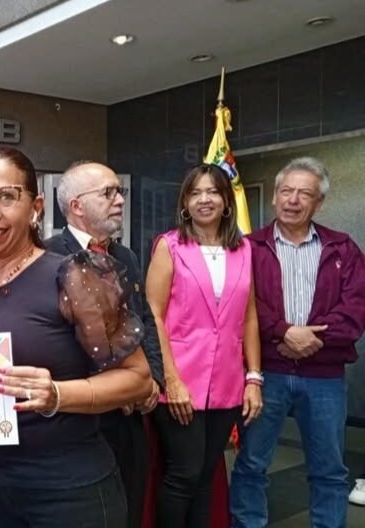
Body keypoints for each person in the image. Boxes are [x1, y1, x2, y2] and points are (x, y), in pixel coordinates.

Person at [0, 145, 153, 528]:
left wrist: (57, 394)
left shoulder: (76, 275)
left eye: (6, 196)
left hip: (70, 492)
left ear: (36, 207)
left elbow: (138, 378)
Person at [230, 157, 365, 528]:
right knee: (252, 464)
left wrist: (311, 339)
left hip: (325, 378)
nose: (293, 200)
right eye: (286, 191)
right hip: (265, 374)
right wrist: (283, 331)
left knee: (329, 470)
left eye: (304, 194)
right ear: (275, 196)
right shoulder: (248, 247)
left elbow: (355, 308)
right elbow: (241, 303)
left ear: (318, 203)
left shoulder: (343, 249)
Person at [45, 161, 164, 528]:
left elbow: (145, 322)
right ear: (76, 205)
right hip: (80, 415)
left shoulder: (126, 256)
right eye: (108, 193)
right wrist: (113, 385)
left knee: (130, 503)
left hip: (130, 416)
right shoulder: (47, 257)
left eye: (120, 191)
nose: (120, 200)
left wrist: (152, 379)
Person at [145, 163, 262, 528]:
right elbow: (153, 315)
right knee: (184, 474)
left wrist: (254, 378)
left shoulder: (244, 249)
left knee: (206, 475)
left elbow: (249, 317)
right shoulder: (170, 246)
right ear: (185, 203)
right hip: (180, 381)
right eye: (195, 193)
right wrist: (170, 379)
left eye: (212, 192)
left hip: (226, 383)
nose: (204, 199)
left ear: (227, 201)